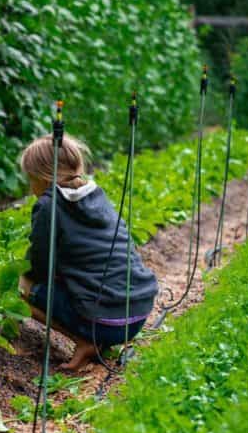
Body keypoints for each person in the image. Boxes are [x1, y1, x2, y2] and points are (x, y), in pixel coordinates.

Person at [18, 133, 158, 371]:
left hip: (108, 323)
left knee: (20, 285)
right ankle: (95, 338)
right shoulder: (95, 195)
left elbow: (40, 267)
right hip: (138, 313)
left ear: (42, 177)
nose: (31, 187)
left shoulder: (48, 206)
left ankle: (84, 342)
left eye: (31, 179)